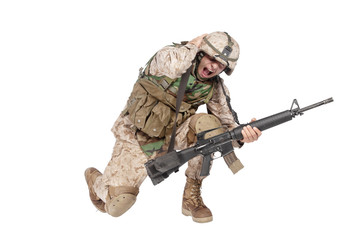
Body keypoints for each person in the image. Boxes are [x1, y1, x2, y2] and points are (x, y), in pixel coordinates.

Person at [85, 31, 262, 223]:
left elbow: (227, 125)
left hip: (173, 133)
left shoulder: (214, 87)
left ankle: (191, 197)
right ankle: (96, 182)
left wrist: (242, 136)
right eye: (212, 58)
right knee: (117, 204)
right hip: (137, 134)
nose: (214, 66)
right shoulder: (170, 56)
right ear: (201, 52)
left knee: (210, 127)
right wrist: (193, 46)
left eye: (221, 65)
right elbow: (175, 66)